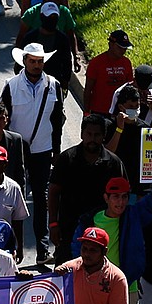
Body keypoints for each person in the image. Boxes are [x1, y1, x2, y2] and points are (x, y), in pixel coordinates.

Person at [2, 42, 63, 264]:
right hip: (16, 152)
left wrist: (56, 150)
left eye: (40, 62)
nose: (36, 65)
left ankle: (42, 249)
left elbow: (57, 121)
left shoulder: (54, 85)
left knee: (41, 199)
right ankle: (10, 250)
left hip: (43, 150)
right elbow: (4, 121)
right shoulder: (11, 85)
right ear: (24, 61)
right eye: (32, 61)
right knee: (12, 200)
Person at [48, 114, 127, 266]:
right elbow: (53, 192)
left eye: (97, 135)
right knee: (67, 275)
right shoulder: (66, 159)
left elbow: (124, 196)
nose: (92, 138)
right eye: (89, 134)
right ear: (81, 134)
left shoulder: (114, 163)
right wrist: (53, 224)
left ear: (103, 136)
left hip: (103, 231)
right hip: (69, 229)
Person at [83, 30, 135, 117]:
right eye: (120, 47)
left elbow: (130, 87)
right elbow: (88, 90)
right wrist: (86, 112)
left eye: (125, 48)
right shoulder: (96, 63)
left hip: (119, 112)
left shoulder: (126, 63)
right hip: (99, 111)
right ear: (110, 44)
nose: (123, 51)